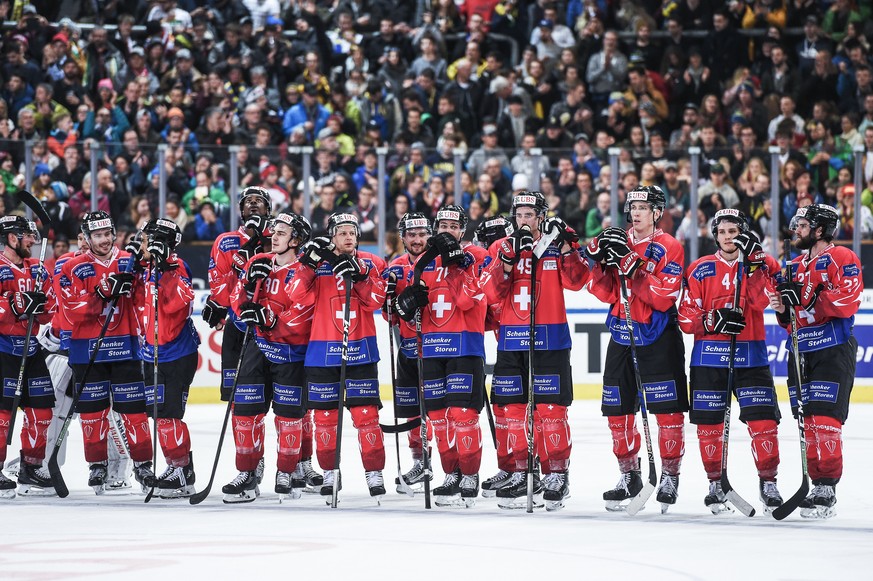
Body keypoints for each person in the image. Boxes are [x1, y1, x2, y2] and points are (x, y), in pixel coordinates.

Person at [480, 191, 589, 510]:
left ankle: (556, 473)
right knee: (513, 410)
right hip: (512, 340)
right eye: (520, 214)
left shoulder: (556, 245)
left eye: (530, 214)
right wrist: (506, 261)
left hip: (551, 338)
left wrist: (569, 245)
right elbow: (489, 292)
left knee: (550, 411)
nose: (524, 220)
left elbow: (578, 281)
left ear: (542, 216)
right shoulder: (500, 247)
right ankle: (520, 471)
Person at [586, 185, 688, 512]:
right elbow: (604, 291)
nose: (636, 212)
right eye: (633, 206)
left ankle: (670, 475)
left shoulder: (669, 246)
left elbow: (663, 296)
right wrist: (600, 263)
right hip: (622, 330)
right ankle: (629, 475)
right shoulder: (619, 238)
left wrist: (634, 266)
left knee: (667, 412)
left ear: (657, 212)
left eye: (643, 207)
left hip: (658, 335)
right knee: (616, 410)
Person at [678, 209, 785, 514]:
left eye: (734, 231)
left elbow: (762, 301)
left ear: (744, 234)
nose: (728, 237)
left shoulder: (763, 264)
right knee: (709, 427)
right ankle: (716, 484)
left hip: (751, 356)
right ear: (715, 235)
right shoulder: (699, 269)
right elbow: (685, 318)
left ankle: (768, 483)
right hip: (709, 359)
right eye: (723, 231)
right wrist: (712, 320)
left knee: (763, 423)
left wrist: (753, 267)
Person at [392, 205, 489, 507]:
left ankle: (470, 474)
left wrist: (458, 265)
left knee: (463, 416)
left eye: (453, 225)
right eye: (442, 225)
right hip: (431, 348)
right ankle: (451, 473)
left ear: (462, 229)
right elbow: (412, 319)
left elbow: (467, 302)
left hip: (465, 346)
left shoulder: (476, 256)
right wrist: (406, 306)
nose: (447, 230)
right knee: (438, 418)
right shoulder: (424, 262)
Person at [771, 204, 863, 519]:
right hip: (800, 351)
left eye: (803, 225)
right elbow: (788, 319)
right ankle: (815, 482)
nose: (796, 229)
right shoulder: (792, 265)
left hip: (832, 348)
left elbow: (849, 300)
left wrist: (811, 298)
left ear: (820, 230)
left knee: (825, 421)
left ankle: (827, 486)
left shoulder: (843, 258)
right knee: (807, 422)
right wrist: (782, 306)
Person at [288, 213, 388, 500]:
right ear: (331, 235)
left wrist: (361, 276)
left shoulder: (372, 262)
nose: (348, 237)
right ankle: (330, 473)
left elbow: (375, 301)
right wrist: (307, 264)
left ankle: (374, 472)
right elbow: (297, 295)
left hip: (361, 349)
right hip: (322, 351)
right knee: (325, 419)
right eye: (342, 232)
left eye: (352, 232)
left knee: (366, 416)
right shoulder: (317, 262)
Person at [60, 211, 156, 494]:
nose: (104, 240)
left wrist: (135, 284)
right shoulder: (73, 266)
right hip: (86, 350)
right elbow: (70, 311)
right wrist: (101, 293)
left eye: (107, 234)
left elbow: (144, 298)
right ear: (87, 238)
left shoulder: (129, 260)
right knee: (92, 414)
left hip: (124, 347)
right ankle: (97, 464)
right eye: (97, 235)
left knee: (134, 413)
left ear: (114, 233)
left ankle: (143, 465)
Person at [226, 213, 316, 502]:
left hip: (291, 353)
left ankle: (286, 471)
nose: (274, 236)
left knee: (289, 417)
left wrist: (267, 317)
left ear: (296, 239)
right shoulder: (258, 262)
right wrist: (249, 292)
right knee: (245, 413)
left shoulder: (306, 271)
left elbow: (303, 311)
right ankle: (247, 472)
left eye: (282, 232)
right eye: (274, 232)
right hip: (257, 348)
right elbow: (237, 298)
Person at [201, 186, 274, 488]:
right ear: (241, 210)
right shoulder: (226, 241)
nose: (254, 206)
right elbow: (218, 283)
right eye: (249, 202)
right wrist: (233, 301)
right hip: (239, 328)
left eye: (259, 202)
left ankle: (298, 465)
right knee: (241, 404)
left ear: (268, 209)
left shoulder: (280, 237)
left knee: (289, 403)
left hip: (274, 330)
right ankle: (250, 461)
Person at [136, 219, 201, 499]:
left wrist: (165, 273)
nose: (141, 245)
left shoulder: (176, 267)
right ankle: (176, 467)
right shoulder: (145, 266)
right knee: (158, 415)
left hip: (176, 355)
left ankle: (182, 471)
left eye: (145, 240)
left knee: (168, 416)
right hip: (151, 353)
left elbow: (179, 304)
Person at [0, 216, 55, 498]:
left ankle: (31, 467)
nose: (33, 241)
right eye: (27, 236)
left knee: (42, 411)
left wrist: (41, 303)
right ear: (12, 238)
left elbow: (51, 308)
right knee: (2, 416)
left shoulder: (37, 269)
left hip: (31, 349)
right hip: (4, 350)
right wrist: (15, 305)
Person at [383, 212, 434, 493]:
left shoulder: (439, 263)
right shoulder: (396, 266)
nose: (417, 240)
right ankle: (420, 461)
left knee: (439, 410)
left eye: (422, 234)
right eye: (411, 235)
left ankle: (453, 464)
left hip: (437, 349)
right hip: (407, 348)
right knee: (412, 409)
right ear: (403, 237)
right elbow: (387, 316)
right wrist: (389, 299)